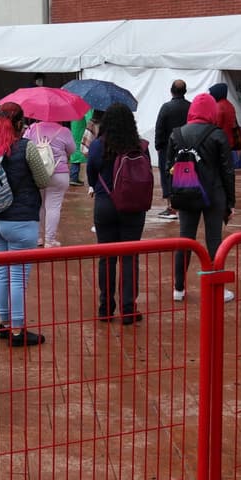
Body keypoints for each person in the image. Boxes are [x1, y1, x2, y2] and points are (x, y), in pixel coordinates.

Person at [0, 102, 51, 347]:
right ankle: (18, 330)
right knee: (18, 278)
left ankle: (3, 323)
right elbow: (43, 181)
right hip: (21, 222)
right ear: (20, 123)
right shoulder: (26, 147)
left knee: (2, 273)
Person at [168, 93, 236, 303]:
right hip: (214, 193)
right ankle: (217, 288)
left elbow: (169, 166)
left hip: (186, 190)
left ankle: (178, 288)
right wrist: (230, 202)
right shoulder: (218, 135)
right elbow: (227, 171)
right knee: (214, 239)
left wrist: (172, 196)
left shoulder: (176, 134)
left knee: (185, 240)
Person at [87, 103, 147, 324]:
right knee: (130, 257)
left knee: (107, 257)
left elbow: (91, 174)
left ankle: (105, 308)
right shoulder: (140, 146)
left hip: (105, 203)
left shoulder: (98, 146)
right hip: (133, 206)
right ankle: (129, 308)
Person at [25, 118, 75, 247]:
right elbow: (72, 150)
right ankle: (49, 240)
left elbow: (24, 146)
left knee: (39, 205)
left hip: (37, 172)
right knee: (53, 206)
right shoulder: (64, 131)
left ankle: (37, 238)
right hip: (59, 173)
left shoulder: (32, 129)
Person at [153, 79, 191, 220]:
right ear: (185, 91)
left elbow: (159, 127)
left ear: (171, 91)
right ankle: (184, 205)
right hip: (187, 147)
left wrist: (158, 145)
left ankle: (171, 206)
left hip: (168, 148)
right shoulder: (190, 107)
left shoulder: (166, 107)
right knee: (186, 174)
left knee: (168, 175)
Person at [208, 83, 241, 152]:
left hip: (220, 141)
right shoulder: (229, 105)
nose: (211, 95)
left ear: (217, 93)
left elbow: (217, 126)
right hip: (229, 140)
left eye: (212, 93)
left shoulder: (219, 106)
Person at [68, 115, 87, 186]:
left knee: (75, 154)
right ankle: (74, 177)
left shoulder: (75, 108)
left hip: (75, 132)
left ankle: (74, 177)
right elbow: (90, 120)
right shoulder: (86, 107)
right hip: (82, 134)